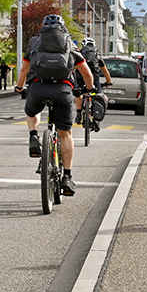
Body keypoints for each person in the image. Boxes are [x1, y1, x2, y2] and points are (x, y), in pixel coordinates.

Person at [14, 15, 94, 196]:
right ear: (63, 28)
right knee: (65, 134)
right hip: (63, 91)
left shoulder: (35, 43)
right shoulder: (70, 45)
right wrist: (89, 88)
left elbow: (24, 70)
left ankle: (34, 136)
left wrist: (20, 87)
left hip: (38, 88)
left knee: (32, 110)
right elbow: (87, 73)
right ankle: (67, 176)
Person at [74, 37, 113, 125]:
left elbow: (73, 68)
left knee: (78, 94)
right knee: (98, 97)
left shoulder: (79, 54)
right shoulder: (97, 55)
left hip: (81, 77)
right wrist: (108, 82)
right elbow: (105, 70)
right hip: (94, 79)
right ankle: (96, 120)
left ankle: (79, 114)